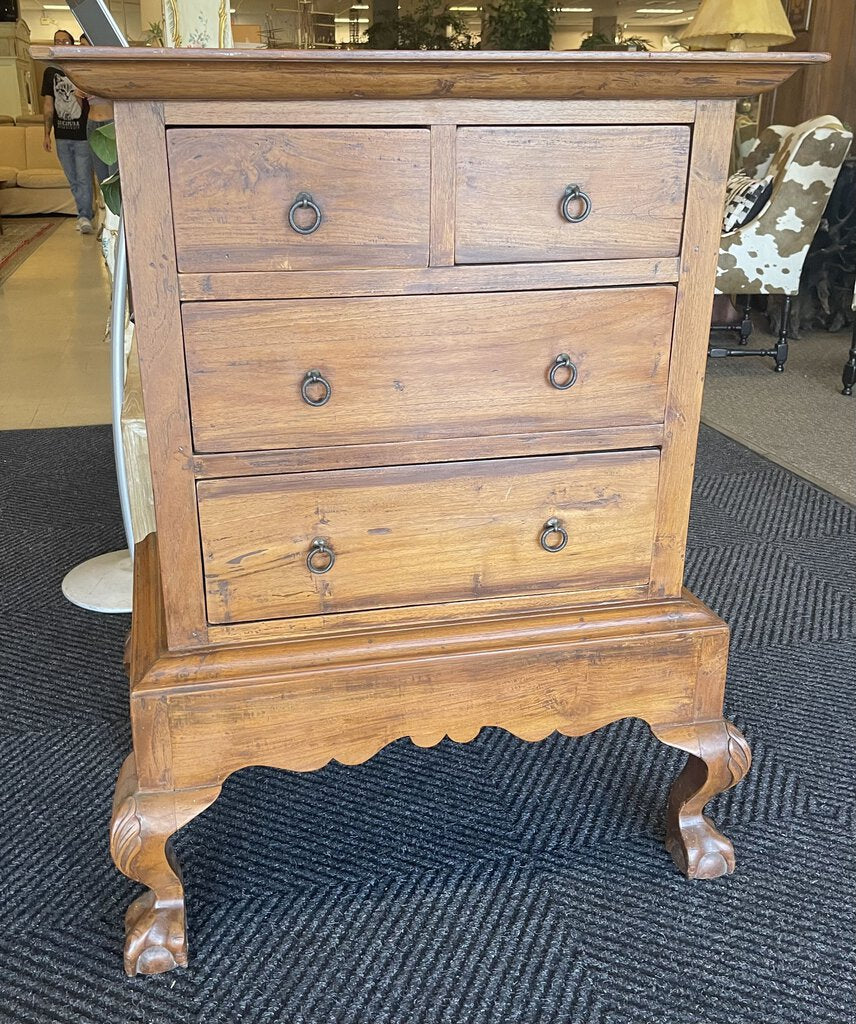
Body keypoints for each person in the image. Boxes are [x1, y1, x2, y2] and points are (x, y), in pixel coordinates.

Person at [41, 29, 95, 234]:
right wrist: (46, 133)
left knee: (83, 177)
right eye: (57, 41)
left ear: (72, 45)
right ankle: (85, 212)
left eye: (65, 41)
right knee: (72, 178)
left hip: (82, 133)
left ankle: (84, 216)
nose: (61, 44)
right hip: (61, 135)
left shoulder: (81, 68)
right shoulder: (50, 72)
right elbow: (48, 105)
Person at [79, 34, 117, 185]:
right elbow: (79, 101)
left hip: (110, 123)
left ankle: (119, 209)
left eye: (84, 45)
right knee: (102, 179)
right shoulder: (82, 71)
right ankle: (107, 208)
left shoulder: (109, 68)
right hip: (92, 123)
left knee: (115, 177)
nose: (81, 49)